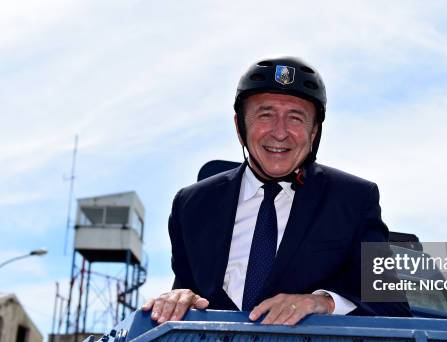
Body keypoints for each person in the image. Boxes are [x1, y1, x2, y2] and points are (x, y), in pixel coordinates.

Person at [142, 56, 411, 325]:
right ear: (240, 126)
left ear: (314, 132)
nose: (280, 133)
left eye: (295, 118)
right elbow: (187, 290)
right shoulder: (191, 204)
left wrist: (321, 302)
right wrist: (178, 298)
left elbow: (392, 307)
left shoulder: (355, 199)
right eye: (266, 115)